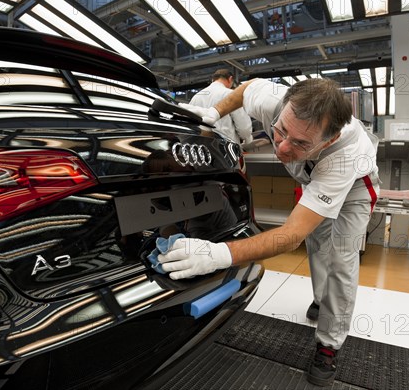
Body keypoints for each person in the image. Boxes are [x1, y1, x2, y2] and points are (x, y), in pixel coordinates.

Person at [158, 77, 379, 387]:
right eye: (281, 131)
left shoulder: (343, 156)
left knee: (342, 260)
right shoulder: (275, 100)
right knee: (318, 245)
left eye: (300, 143)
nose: (282, 147)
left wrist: (219, 254)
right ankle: (320, 300)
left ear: (327, 141)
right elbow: (245, 89)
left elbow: (291, 235)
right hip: (312, 174)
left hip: (356, 186)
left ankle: (329, 344)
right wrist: (214, 113)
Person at [189, 68, 253, 145]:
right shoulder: (231, 94)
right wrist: (247, 138)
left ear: (213, 79)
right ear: (230, 79)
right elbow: (244, 127)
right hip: (225, 148)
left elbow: (190, 122)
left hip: (200, 147)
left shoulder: (196, 96)